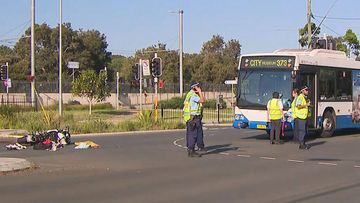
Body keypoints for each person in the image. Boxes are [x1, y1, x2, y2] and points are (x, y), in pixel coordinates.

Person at [183, 82, 205, 157]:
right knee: (193, 135)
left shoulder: (189, 94)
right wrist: (200, 92)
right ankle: (191, 151)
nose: (199, 87)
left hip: (190, 117)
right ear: (194, 88)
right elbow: (202, 101)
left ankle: (191, 148)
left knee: (192, 134)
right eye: (197, 86)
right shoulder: (193, 95)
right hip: (193, 118)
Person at [295, 85, 311, 150]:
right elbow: (298, 106)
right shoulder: (300, 97)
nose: (307, 91)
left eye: (307, 90)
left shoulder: (305, 97)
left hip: (304, 116)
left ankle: (303, 143)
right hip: (301, 117)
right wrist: (306, 105)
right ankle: (301, 144)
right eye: (306, 90)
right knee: (302, 131)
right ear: (302, 91)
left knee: (305, 131)